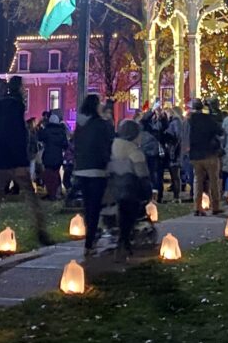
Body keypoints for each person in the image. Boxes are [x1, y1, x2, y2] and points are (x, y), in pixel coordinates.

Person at [0, 76, 51, 251]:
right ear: (19, 88)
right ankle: (41, 231)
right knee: (30, 196)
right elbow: (18, 136)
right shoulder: (16, 108)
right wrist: (22, 159)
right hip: (16, 160)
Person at [71, 93, 114, 252]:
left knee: (88, 205)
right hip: (97, 170)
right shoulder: (102, 125)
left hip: (82, 170)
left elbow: (75, 145)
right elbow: (108, 144)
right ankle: (90, 240)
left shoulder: (80, 127)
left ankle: (91, 234)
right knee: (95, 206)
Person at [107, 119, 152, 259]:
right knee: (131, 210)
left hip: (112, 188)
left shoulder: (112, 145)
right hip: (129, 190)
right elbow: (142, 173)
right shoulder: (134, 151)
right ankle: (124, 242)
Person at [186, 98, 222, 213]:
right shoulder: (208, 119)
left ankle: (197, 206)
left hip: (195, 154)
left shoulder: (189, 121)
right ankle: (215, 206)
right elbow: (220, 131)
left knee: (197, 180)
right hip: (209, 153)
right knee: (213, 180)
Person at [38, 112, 68, 200]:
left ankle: (51, 192)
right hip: (58, 156)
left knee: (48, 175)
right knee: (56, 174)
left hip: (48, 156)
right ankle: (56, 193)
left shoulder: (46, 131)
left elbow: (40, 137)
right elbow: (65, 145)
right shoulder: (61, 132)